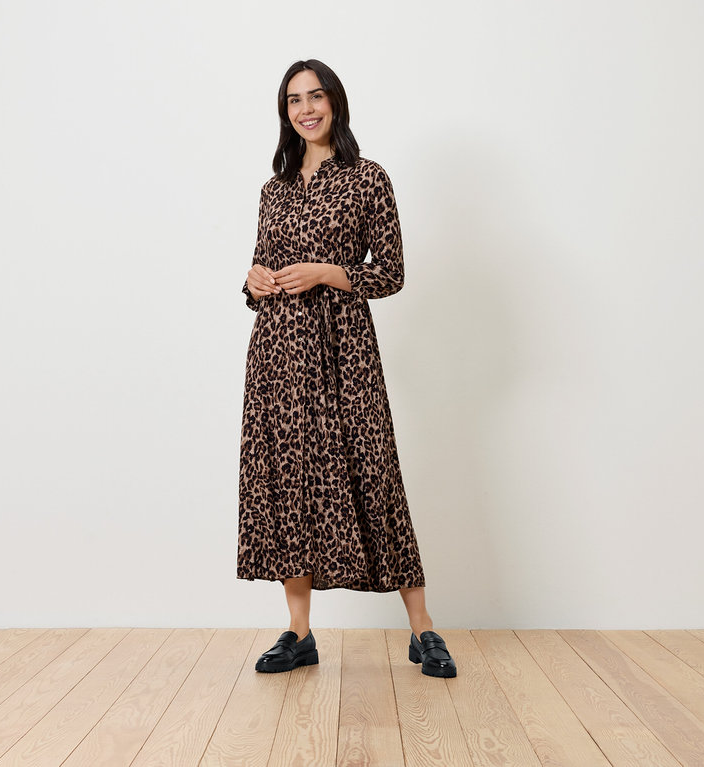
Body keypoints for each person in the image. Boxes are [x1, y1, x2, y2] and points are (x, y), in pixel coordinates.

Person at [238, 59, 456, 679]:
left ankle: (423, 629)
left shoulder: (367, 178)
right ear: (285, 112)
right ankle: (298, 632)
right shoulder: (273, 188)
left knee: (374, 472)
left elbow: (390, 273)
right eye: (293, 100)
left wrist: (330, 273)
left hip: (344, 351)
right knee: (288, 483)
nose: (305, 109)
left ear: (335, 102)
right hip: (278, 354)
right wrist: (253, 281)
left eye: (316, 97)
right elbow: (260, 269)